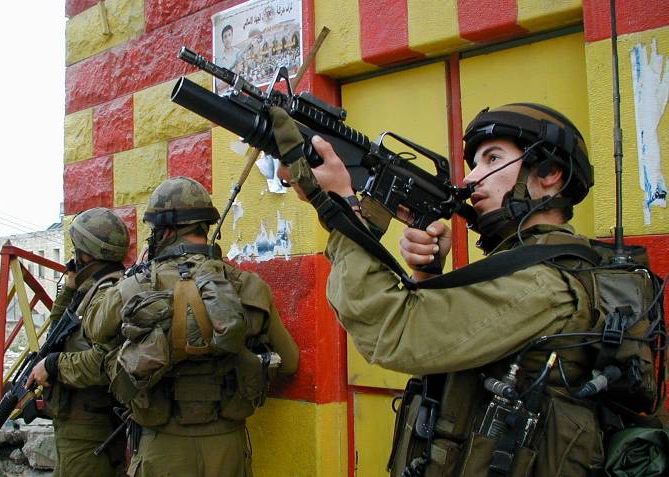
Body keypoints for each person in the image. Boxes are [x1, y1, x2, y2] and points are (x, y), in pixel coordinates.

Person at [273, 103, 627, 475]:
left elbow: (394, 333)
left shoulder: (543, 284)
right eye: (475, 163)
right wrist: (428, 272)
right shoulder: (524, 265)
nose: (472, 179)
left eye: (492, 159)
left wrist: (343, 207)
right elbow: (448, 353)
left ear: (550, 172)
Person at [85, 176, 300, 477]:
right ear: (204, 227)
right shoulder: (248, 286)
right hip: (228, 445)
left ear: (166, 231)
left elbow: (94, 329)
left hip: (162, 448)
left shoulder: (136, 286)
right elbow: (289, 362)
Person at [26, 207, 130, 477]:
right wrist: (70, 288)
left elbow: (103, 363)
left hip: (91, 430)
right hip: (78, 425)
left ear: (86, 254)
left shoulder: (106, 294)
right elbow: (58, 336)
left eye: (76, 251)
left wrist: (53, 365)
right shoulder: (92, 289)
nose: (73, 257)